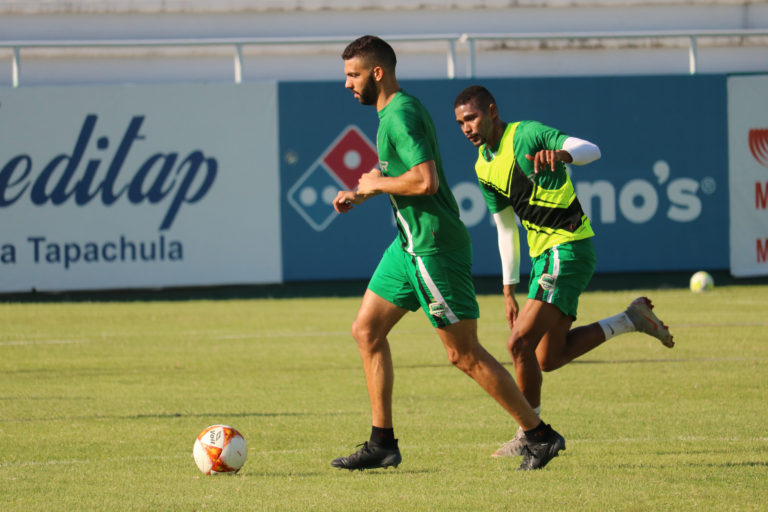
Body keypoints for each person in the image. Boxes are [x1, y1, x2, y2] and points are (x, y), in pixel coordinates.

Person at [330, 36, 565, 472]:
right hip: (407, 246)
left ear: (377, 73)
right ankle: (382, 443)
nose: (347, 84)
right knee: (366, 331)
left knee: (464, 354)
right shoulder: (395, 113)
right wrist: (361, 191)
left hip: (432, 247)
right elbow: (393, 171)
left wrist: (376, 185)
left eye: (353, 75)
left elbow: (425, 181)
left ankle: (539, 435)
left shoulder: (399, 114)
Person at [453, 85, 674, 457]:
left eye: (471, 117)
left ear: (491, 111)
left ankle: (530, 435)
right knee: (547, 358)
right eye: (460, 122)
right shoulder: (482, 165)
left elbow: (592, 149)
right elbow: (505, 227)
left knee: (518, 343)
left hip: (567, 247)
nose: (466, 128)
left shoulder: (526, 133)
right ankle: (630, 319)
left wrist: (563, 153)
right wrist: (508, 288)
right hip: (546, 259)